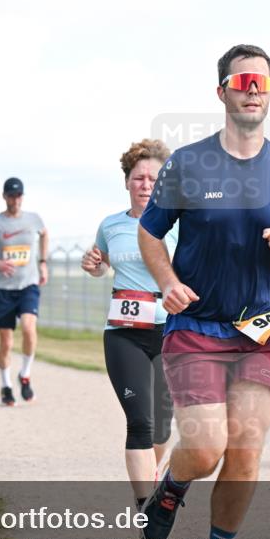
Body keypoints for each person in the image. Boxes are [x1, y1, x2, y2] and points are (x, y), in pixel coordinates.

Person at [138, 44, 270, 539]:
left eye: (262, 83)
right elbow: (151, 231)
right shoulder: (188, 163)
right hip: (196, 326)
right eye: (242, 82)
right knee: (206, 445)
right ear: (222, 92)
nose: (252, 90)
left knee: (245, 445)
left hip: (260, 330)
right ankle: (170, 489)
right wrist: (167, 282)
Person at [82, 138, 177, 510]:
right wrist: (95, 267)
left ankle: (153, 477)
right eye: (138, 178)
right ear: (127, 182)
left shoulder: (178, 224)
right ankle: (147, 507)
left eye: (153, 178)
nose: (145, 184)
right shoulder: (111, 225)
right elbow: (102, 264)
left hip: (170, 331)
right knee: (139, 421)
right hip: (123, 332)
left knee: (162, 428)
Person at [0, 178, 49, 405]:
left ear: (22, 197)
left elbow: (44, 233)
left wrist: (43, 262)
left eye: (18, 196)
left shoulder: (33, 219)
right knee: (6, 342)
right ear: (4, 196)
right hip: (3, 290)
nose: (15, 200)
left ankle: (24, 375)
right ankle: (6, 385)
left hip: (28, 285)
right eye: (11, 196)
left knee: (29, 328)